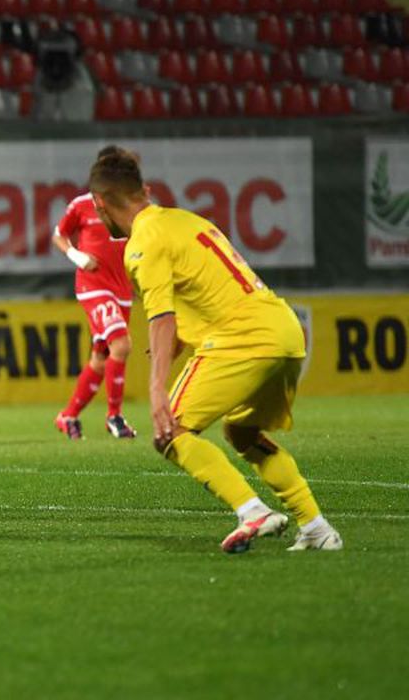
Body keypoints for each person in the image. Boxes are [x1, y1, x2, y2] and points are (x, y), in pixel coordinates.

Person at [87, 148, 342, 554]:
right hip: (287, 333)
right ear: (145, 190)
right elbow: (191, 310)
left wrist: (156, 390)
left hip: (241, 339)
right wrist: (167, 359)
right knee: (241, 432)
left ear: (99, 203)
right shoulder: (186, 222)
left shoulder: (142, 244)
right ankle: (316, 527)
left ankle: (252, 511)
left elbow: (162, 317)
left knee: (171, 432)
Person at [51, 145, 136, 441]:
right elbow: (58, 234)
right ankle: (114, 417)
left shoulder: (128, 205)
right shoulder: (82, 205)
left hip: (122, 288)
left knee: (101, 358)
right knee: (121, 344)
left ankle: (68, 416)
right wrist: (76, 256)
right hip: (93, 285)